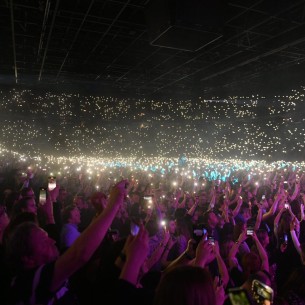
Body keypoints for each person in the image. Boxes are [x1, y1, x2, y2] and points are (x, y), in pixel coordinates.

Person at [7, 179, 128, 305]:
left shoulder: (47, 272)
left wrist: (100, 212)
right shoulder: (27, 284)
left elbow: (80, 239)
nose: (53, 241)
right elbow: (79, 253)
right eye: (44, 241)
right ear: (28, 258)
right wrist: (113, 204)